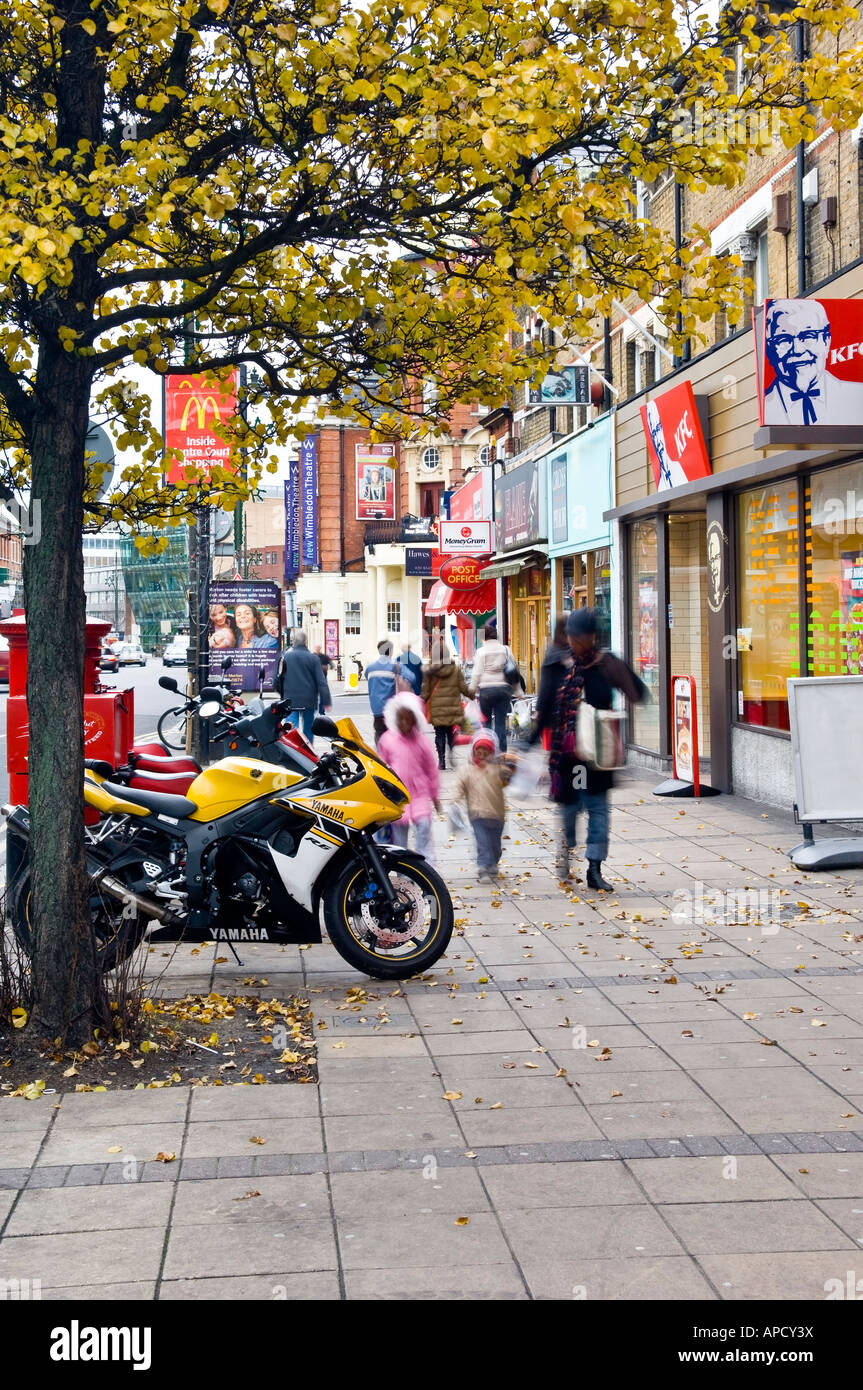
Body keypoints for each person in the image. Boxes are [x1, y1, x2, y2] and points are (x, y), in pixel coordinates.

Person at [550, 608, 648, 890]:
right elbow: (547, 706)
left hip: (598, 755)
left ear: (591, 637)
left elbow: (638, 693)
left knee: (598, 810)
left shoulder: (607, 665)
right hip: (569, 757)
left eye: (578, 637)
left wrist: (622, 675)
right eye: (570, 636)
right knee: (569, 810)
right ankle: (566, 849)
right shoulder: (562, 664)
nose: (573, 642)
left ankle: (594, 868)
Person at [764, 298, 863, 425]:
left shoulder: (857, 397)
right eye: (783, 339)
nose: (798, 350)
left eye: (808, 336)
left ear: (826, 341)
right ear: (769, 349)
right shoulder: (765, 407)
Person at [377, 693, 441, 864]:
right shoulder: (387, 740)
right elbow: (381, 767)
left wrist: (435, 796)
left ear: (414, 719)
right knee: (399, 837)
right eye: (401, 719)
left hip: (419, 793)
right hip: (398, 797)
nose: (404, 723)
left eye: (408, 719)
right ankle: (401, 868)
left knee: (424, 829)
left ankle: (428, 866)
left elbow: (431, 770)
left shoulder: (422, 742)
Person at [452, 730, 510, 881]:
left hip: (497, 814)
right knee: (483, 842)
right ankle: (483, 867)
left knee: (495, 844)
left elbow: (506, 780)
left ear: (491, 752)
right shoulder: (467, 770)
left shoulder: (497, 769)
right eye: (479, 749)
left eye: (486, 749)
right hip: (477, 813)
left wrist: (508, 768)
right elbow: (459, 785)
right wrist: (455, 800)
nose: (482, 752)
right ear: (473, 751)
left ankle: (493, 863)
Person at [469, 622, 522, 752]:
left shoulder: (481, 652)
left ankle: (487, 750)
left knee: (486, 723)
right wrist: (519, 691)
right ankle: (501, 752)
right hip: (504, 690)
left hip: (486, 690)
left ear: (483, 637)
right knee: (500, 723)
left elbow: (477, 673)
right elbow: (513, 672)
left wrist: (470, 691)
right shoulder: (505, 650)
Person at [421, 646, 471, 771]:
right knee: (450, 732)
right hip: (453, 707)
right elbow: (463, 687)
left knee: (439, 733)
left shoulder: (429, 671)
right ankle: (451, 751)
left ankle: (441, 760)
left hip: (437, 708)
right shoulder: (455, 669)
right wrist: (471, 694)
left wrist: (420, 700)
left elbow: (426, 691)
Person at [277, 630, 331, 742]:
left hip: (290, 700)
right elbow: (321, 682)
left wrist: (283, 693)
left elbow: (277, 679)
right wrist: (326, 701)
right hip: (309, 700)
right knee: (308, 728)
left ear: (294, 641)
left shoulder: (285, 657)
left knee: (292, 727)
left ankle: (294, 751)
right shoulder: (313, 658)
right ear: (306, 641)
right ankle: (308, 751)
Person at [528, 615, 572, 750]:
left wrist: (539, 709)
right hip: (569, 709)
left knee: (557, 748)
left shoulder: (553, 652)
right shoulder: (573, 652)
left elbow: (546, 686)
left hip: (555, 708)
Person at [365, 639, 399, 744]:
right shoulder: (395, 666)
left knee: (379, 733)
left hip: (376, 709)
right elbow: (411, 678)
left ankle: (381, 756)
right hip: (390, 708)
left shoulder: (370, 668)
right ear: (391, 651)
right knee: (392, 735)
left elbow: (367, 678)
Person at [313, 644, 333, 715]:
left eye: (318, 648)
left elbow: (332, 665)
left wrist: (327, 667)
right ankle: (313, 710)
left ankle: (321, 711)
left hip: (323, 679)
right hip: (313, 680)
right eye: (316, 647)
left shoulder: (324, 657)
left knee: (322, 695)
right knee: (313, 695)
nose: (317, 649)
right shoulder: (312, 656)